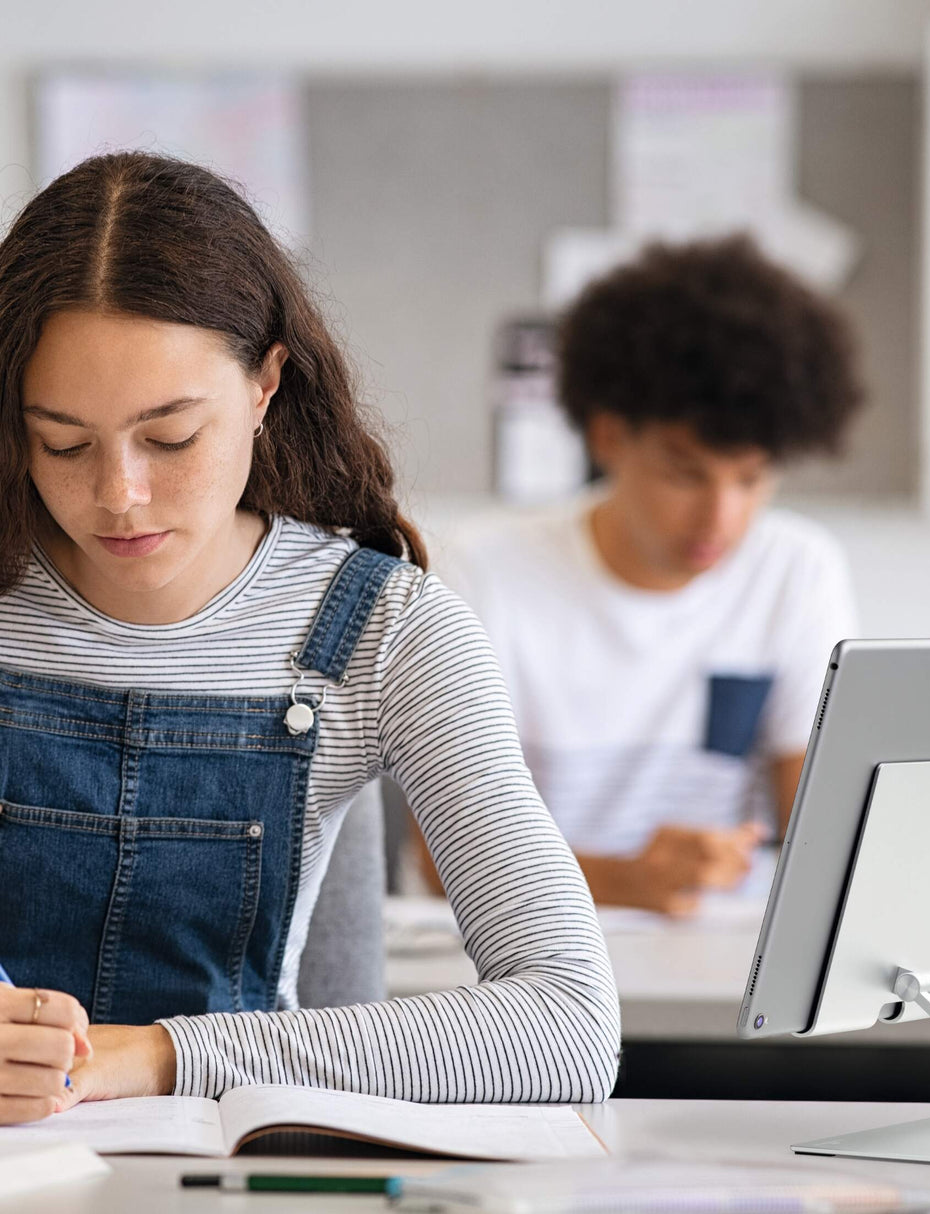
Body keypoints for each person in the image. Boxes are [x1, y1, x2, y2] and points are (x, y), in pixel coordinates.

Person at [0, 152, 619, 1126]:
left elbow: (566, 1023)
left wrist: (161, 1055)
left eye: (169, 437)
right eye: (63, 442)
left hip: (227, 1169)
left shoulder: (390, 632)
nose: (118, 493)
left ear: (264, 384)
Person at [440, 236, 863, 917]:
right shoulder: (482, 573)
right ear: (609, 438)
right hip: (534, 965)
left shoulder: (797, 571)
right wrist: (625, 881)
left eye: (752, 479)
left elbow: (826, 840)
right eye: (684, 473)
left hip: (728, 970)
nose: (721, 517)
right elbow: (445, 861)